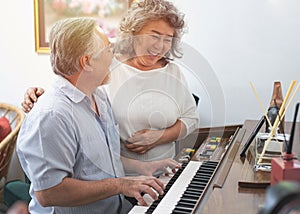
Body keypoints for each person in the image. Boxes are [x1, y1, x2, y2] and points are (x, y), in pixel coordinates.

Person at [17, 17, 179, 214]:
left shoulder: (99, 96)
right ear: (87, 62)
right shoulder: (51, 116)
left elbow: (101, 160)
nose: (112, 56)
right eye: (108, 50)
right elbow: (49, 193)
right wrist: (121, 185)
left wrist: (144, 167)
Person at [22, 0, 199, 175]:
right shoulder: (106, 65)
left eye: (167, 39)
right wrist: (38, 95)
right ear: (134, 32)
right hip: (117, 177)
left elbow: (191, 118)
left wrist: (159, 137)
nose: (160, 46)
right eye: (154, 36)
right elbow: (70, 87)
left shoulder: (173, 72)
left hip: (163, 173)